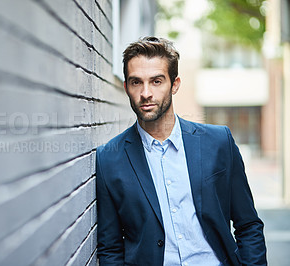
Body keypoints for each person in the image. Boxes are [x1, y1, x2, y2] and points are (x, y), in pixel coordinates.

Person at [96, 36, 267, 265]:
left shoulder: (218, 142)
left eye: (156, 81)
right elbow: (110, 247)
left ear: (174, 85)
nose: (146, 93)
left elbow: (248, 225)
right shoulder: (110, 158)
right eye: (136, 82)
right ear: (126, 87)